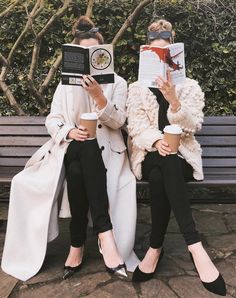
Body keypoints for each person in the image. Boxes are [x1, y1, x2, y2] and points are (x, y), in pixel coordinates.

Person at [1, 16, 139, 281]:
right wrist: (68, 131)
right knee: (81, 148)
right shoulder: (66, 84)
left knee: (77, 169)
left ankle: (77, 243)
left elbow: (120, 121)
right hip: (71, 146)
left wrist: (99, 97)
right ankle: (105, 233)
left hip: (106, 153)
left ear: (102, 54)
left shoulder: (118, 83)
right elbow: (53, 119)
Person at [126, 19, 226, 296]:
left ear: (173, 55)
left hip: (180, 158)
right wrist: (156, 141)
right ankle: (194, 245)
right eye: (154, 52)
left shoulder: (189, 86)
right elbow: (135, 127)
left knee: (166, 167)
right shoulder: (137, 88)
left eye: (165, 51)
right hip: (148, 154)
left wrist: (174, 101)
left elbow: (193, 126)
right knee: (160, 164)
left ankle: (154, 248)